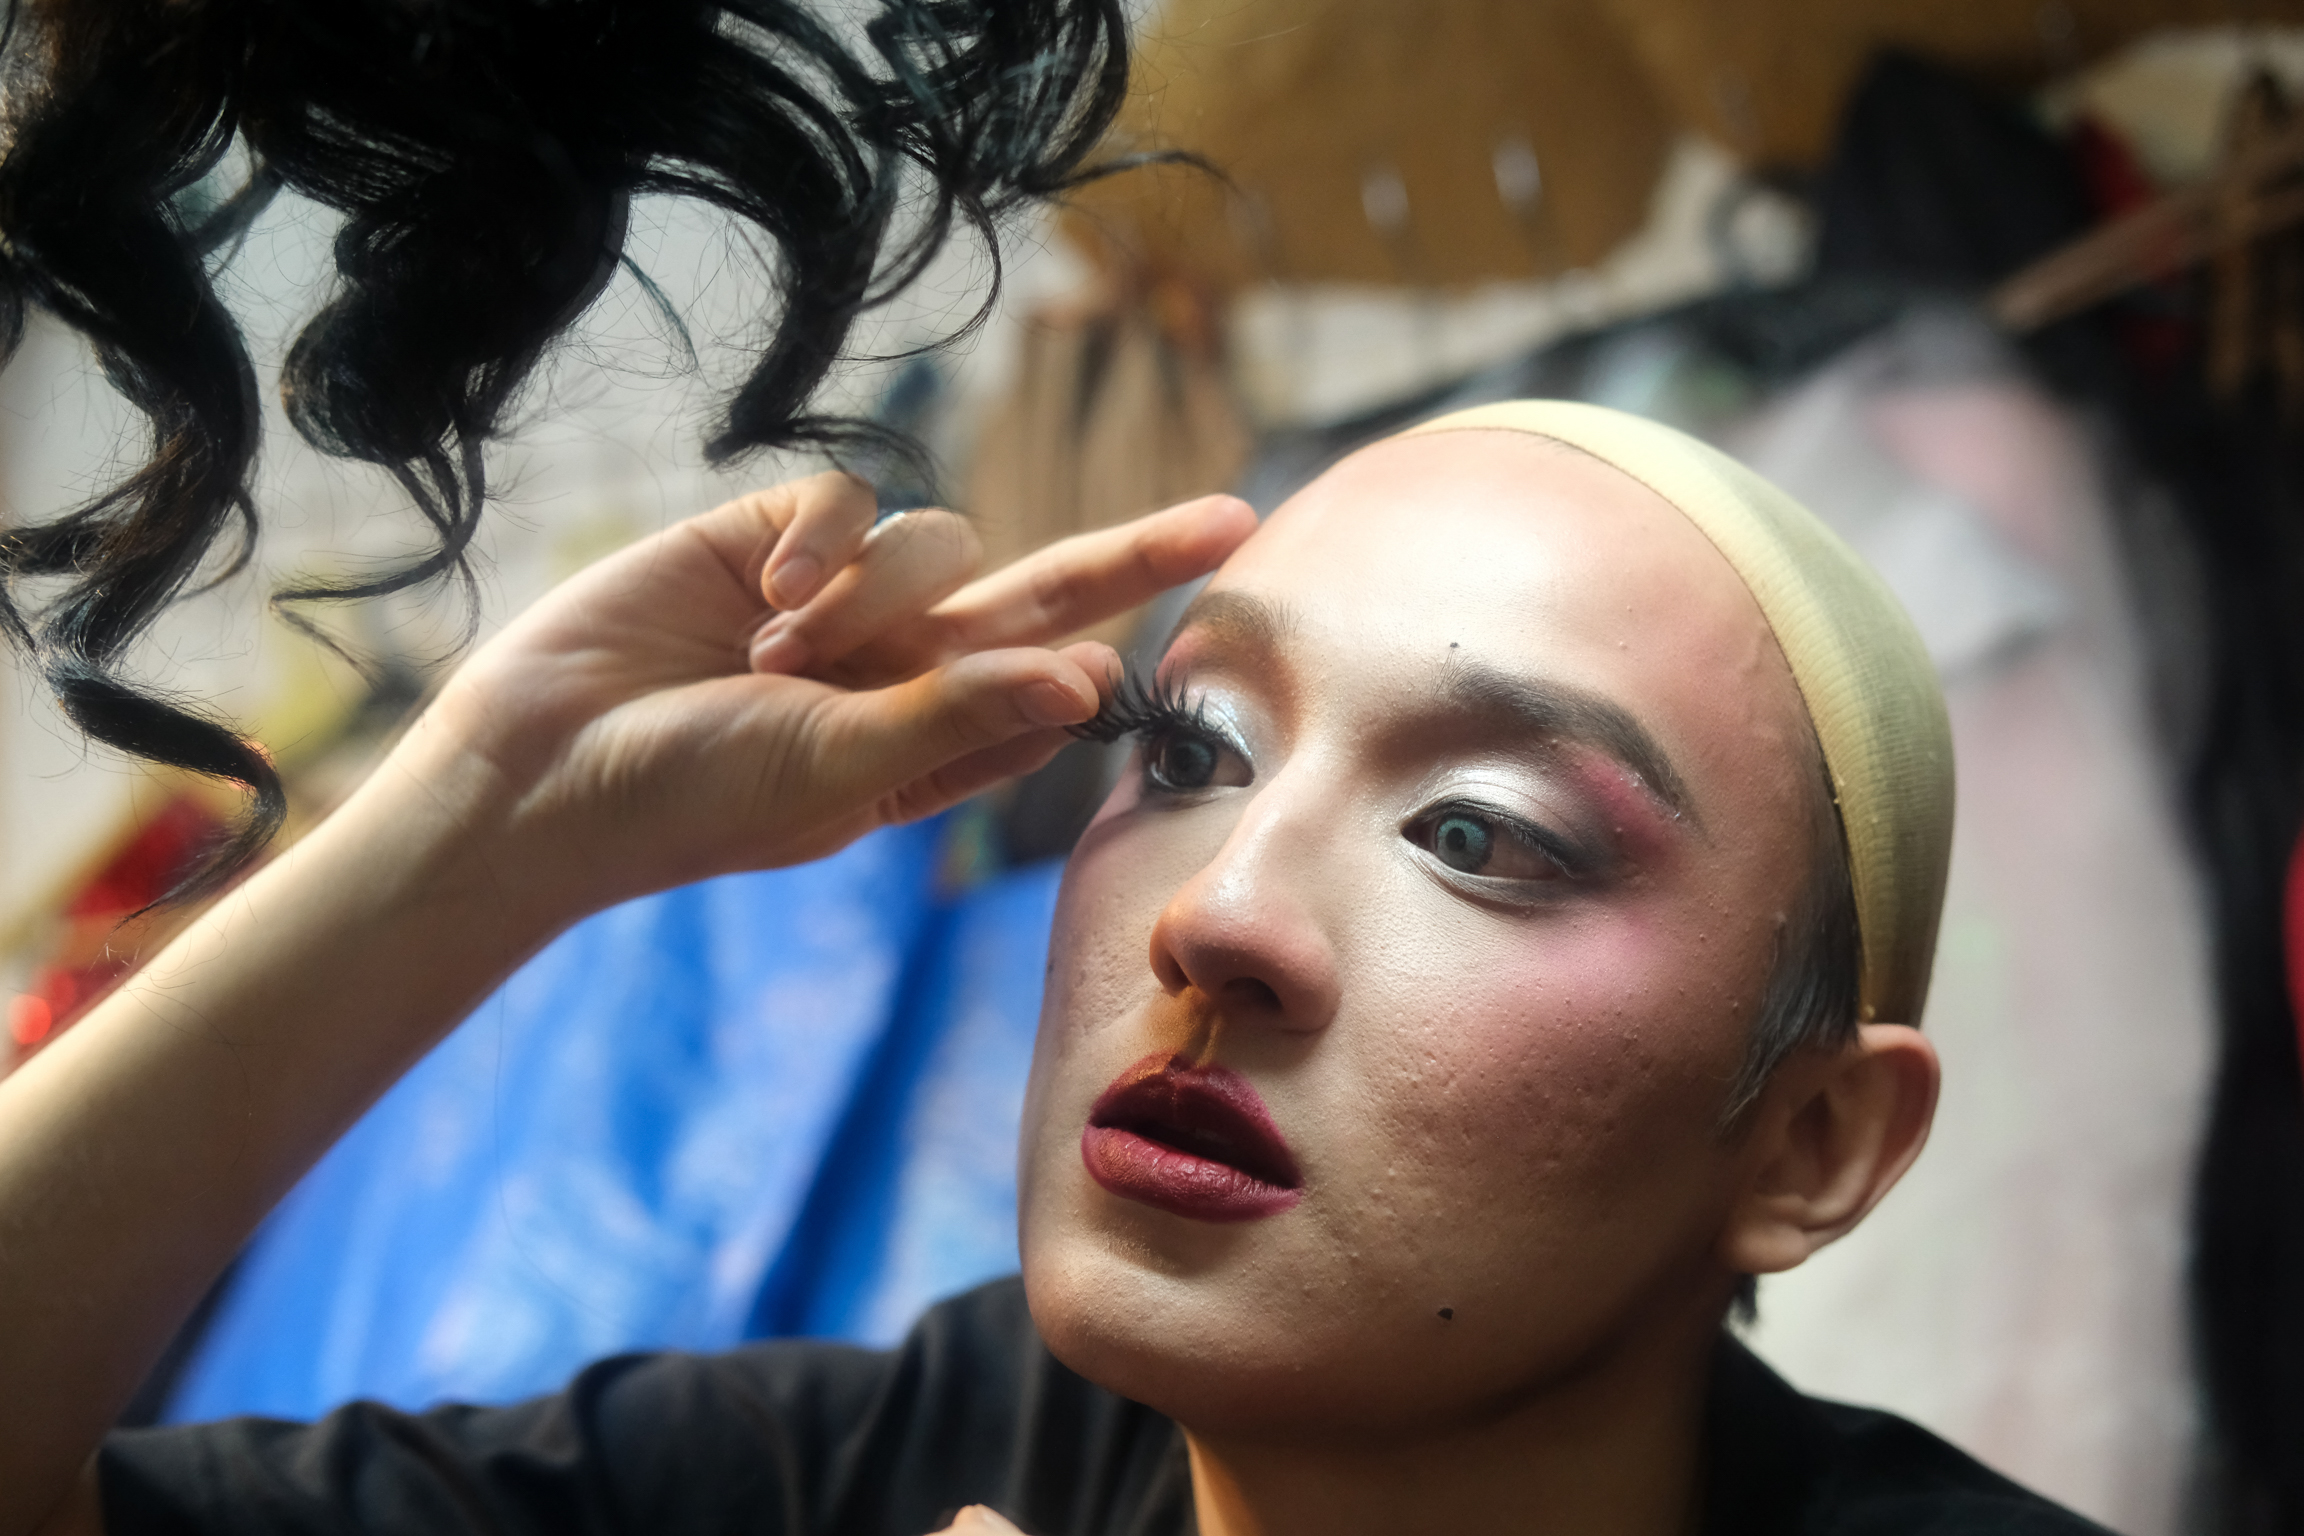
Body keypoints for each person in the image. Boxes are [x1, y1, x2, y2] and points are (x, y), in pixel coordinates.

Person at [0, 398, 2110, 1535]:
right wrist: (489, 827)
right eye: (1189, 752)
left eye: (1479, 836)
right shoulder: (908, 1452)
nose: (1218, 915)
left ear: (1815, 1141)